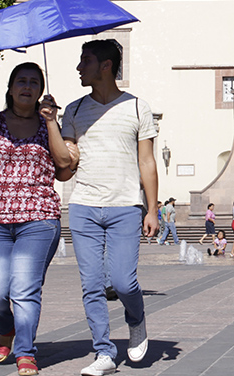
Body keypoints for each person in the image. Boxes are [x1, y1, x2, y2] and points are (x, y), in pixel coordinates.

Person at [61, 39, 159, 375]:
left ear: (106, 66)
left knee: (123, 282)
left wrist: (152, 209)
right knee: (91, 285)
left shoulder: (136, 108)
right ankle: (104, 352)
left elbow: (147, 162)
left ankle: (137, 319)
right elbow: (65, 166)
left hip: (125, 206)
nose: (78, 68)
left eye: (84, 61)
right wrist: (49, 123)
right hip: (84, 207)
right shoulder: (72, 111)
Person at [0, 62, 73, 376]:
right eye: (21, 81)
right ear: (11, 88)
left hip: (38, 219)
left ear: (41, 90)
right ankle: (7, 325)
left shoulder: (50, 124)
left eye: (33, 82)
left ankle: (26, 352)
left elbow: (65, 165)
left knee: (25, 289)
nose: (27, 87)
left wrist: (52, 123)